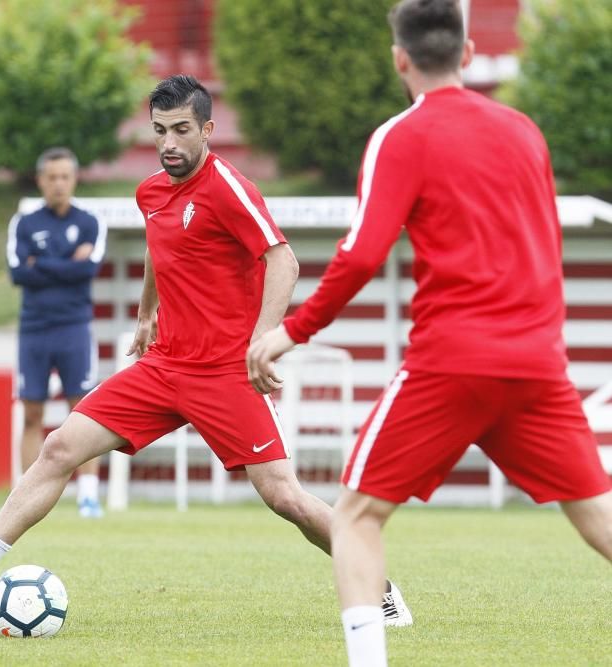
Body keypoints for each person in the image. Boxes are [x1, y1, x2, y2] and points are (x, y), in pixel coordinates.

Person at [0, 75, 411, 626]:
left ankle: (378, 586)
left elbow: (284, 260)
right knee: (60, 447)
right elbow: (162, 245)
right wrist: (146, 310)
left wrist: (265, 340)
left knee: (285, 498)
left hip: (227, 371)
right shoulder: (151, 191)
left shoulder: (229, 187)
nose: (170, 143)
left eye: (182, 130)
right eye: (160, 131)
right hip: (164, 365)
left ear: (207, 128)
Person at [245, 1, 612, 665]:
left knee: (356, 517)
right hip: (535, 362)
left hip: (452, 364)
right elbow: (548, 243)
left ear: (400, 59)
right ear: (468, 54)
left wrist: (290, 331)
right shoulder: (526, 130)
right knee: (597, 516)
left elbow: (361, 254)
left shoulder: (400, 137)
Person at [7, 147, 107, 518]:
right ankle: (25, 496)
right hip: (34, 329)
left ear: (74, 179)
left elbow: (89, 270)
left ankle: (88, 496)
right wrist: (66, 263)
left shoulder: (90, 221)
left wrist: (43, 264)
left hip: (75, 328)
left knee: (83, 412)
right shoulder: (24, 223)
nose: (59, 183)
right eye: (52, 177)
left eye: (65, 176)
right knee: (32, 413)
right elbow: (19, 272)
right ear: (40, 181)